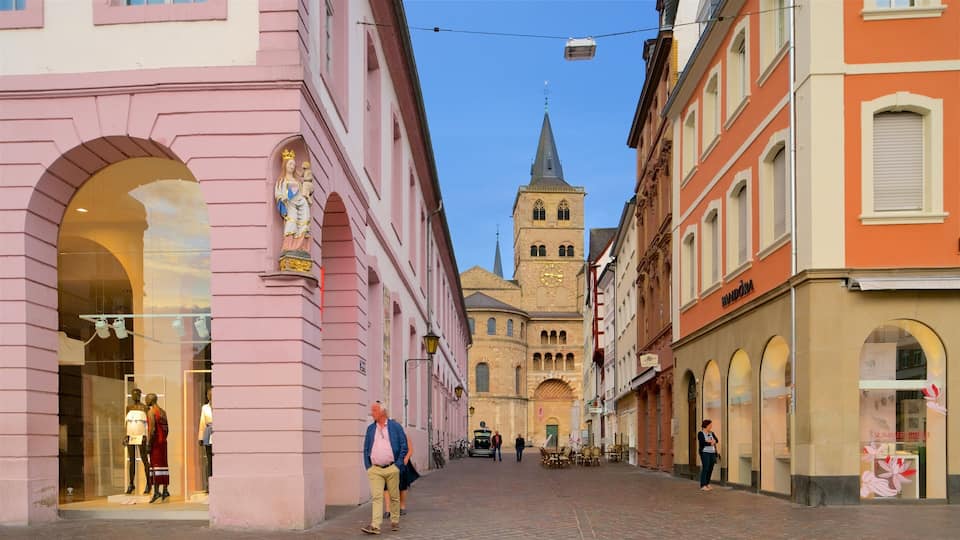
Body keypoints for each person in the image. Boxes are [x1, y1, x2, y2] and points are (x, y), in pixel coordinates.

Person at [362, 402, 407, 535]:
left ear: (382, 412)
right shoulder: (370, 429)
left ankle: (394, 520)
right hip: (375, 469)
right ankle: (375, 525)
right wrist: (368, 466)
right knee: (376, 497)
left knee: (394, 496)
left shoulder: (395, 427)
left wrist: (397, 465)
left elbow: (404, 446)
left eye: (374, 410)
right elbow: (366, 448)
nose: (372, 413)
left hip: (391, 468)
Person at [383, 432, 419, 519]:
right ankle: (388, 510)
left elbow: (410, 450)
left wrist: (405, 459)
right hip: (388, 463)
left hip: (402, 463)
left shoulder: (405, 436)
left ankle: (402, 506)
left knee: (402, 485)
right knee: (386, 486)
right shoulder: (385, 436)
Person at [124, 388, 150, 495]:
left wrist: (147, 437)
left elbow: (148, 424)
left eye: (137, 394)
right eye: (134, 394)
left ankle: (149, 483)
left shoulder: (144, 407)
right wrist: (126, 436)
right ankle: (131, 483)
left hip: (141, 435)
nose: (135, 396)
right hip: (131, 435)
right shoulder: (129, 408)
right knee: (132, 461)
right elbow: (126, 423)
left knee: (144, 460)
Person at [145, 393, 170, 503]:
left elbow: (152, 429)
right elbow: (167, 429)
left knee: (155, 466)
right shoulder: (163, 412)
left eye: (147, 399)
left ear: (151, 400)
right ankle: (165, 489)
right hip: (163, 442)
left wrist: (149, 444)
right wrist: (163, 438)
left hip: (155, 443)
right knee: (163, 465)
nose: (145, 400)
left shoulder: (151, 412)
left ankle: (156, 492)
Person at [197, 387, 213, 492]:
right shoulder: (205, 407)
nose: (210, 396)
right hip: (208, 432)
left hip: (218, 433)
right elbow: (202, 422)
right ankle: (209, 485)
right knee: (209, 460)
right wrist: (201, 437)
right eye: (208, 394)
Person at [698, 419, 720, 491]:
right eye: (710, 425)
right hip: (705, 453)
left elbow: (716, 440)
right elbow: (702, 443)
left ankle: (707, 483)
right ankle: (703, 485)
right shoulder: (700, 433)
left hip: (712, 453)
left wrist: (710, 441)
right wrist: (710, 442)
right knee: (705, 468)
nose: (711, 426)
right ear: (706, 425)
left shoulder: (711, 433)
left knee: (710, 468)